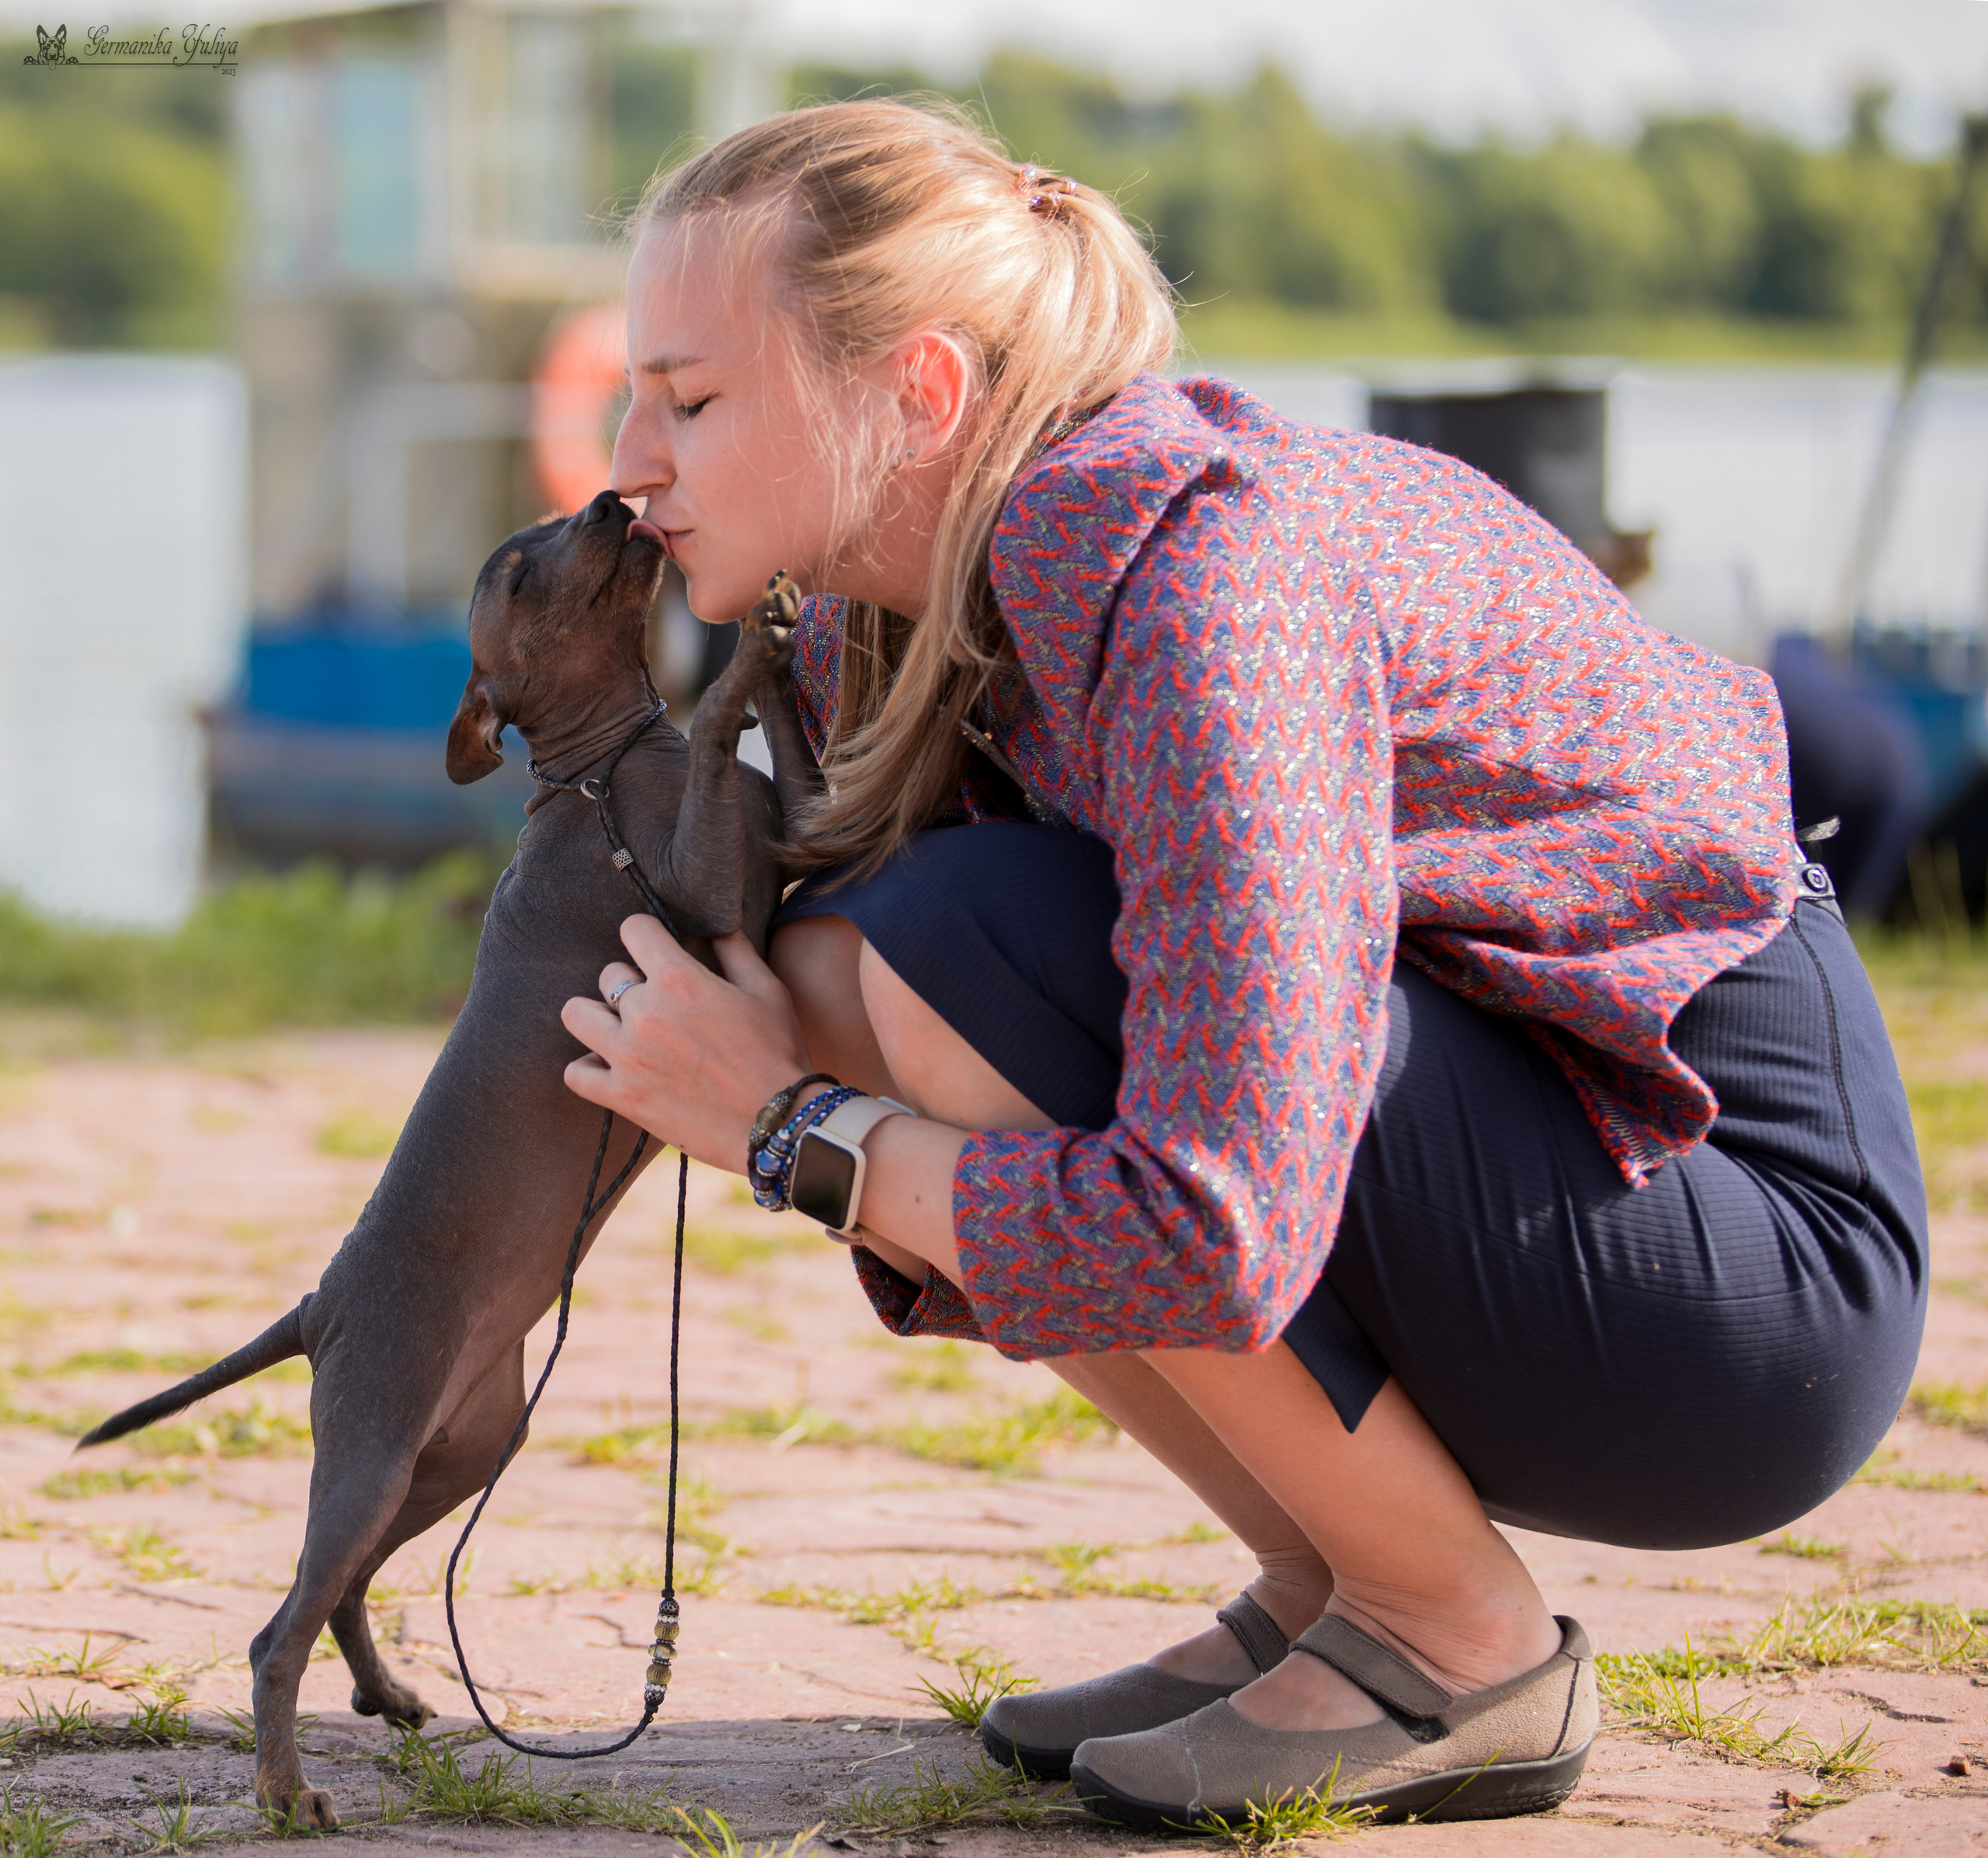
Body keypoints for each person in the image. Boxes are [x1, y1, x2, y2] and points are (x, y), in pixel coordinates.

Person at [559, 100, 1927, 1829]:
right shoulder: (884, 610)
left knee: (952, 950)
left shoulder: (1212, 577)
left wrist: (786, 1129)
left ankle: (1453, 1634)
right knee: (871, 955)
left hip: (1738, 1272)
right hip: (1558, 1186)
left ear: (912, 395)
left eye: (688, 398)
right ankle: (1332, 1585)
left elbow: (1211, 1218)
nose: (628, 459)